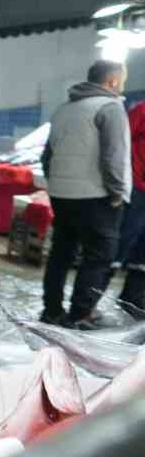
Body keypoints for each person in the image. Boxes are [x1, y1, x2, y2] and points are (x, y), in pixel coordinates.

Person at [42, 59, 132, 328]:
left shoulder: (63, 109)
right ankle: (81, 314)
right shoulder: (111, 107)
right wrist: (117, 192)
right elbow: (114, 157)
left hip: (62, 194)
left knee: (61, 253)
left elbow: (47, 156)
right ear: (113, 81)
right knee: (98, 257)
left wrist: (57, 184)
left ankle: (52, 311)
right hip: (96, 196)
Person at [119, 94, 145, 317]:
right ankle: (86, 307)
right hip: (137, 188)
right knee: (123, 242)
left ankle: (133, 297)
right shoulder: (141, 111)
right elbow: (123, 144)